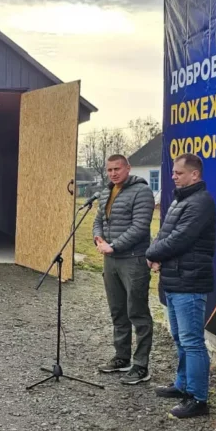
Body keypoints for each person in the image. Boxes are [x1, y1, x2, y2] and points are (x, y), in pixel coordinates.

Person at [146, 153, 216, 419]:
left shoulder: (201, 202)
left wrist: (151, 254)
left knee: (192, 341)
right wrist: (154, 252)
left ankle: (198, 398)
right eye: (173, 172)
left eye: (178, 173)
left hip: (190, 281)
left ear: (194, 174)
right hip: (174, 279)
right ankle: (182, 385)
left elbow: (180, 239)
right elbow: (164, 234)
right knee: (179, 338)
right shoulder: (181, 200)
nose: (173, 176)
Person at [92, 154, 156, 384]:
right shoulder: (107, 191)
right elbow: (98, 219)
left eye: (117, 169)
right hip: (111, 260)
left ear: (128, 168)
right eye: (109, 170)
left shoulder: (142, 192)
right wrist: (97, 238)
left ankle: (141, 366)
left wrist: (114, 246)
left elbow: (140, 227)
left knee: (137, 312)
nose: (113, 173)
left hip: (133, 259)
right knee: (117, 311)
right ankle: (122, 357)